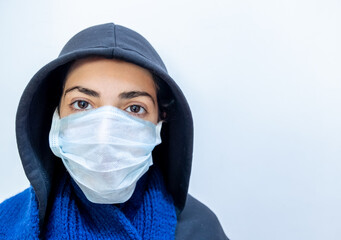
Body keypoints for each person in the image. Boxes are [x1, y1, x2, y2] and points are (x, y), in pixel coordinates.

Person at [0, 23, 228, 239]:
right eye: (82, 104)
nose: (104, 134)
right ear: (55, 113)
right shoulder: (7, 225)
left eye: (135, 108)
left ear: (161, 120)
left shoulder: (201, 229)